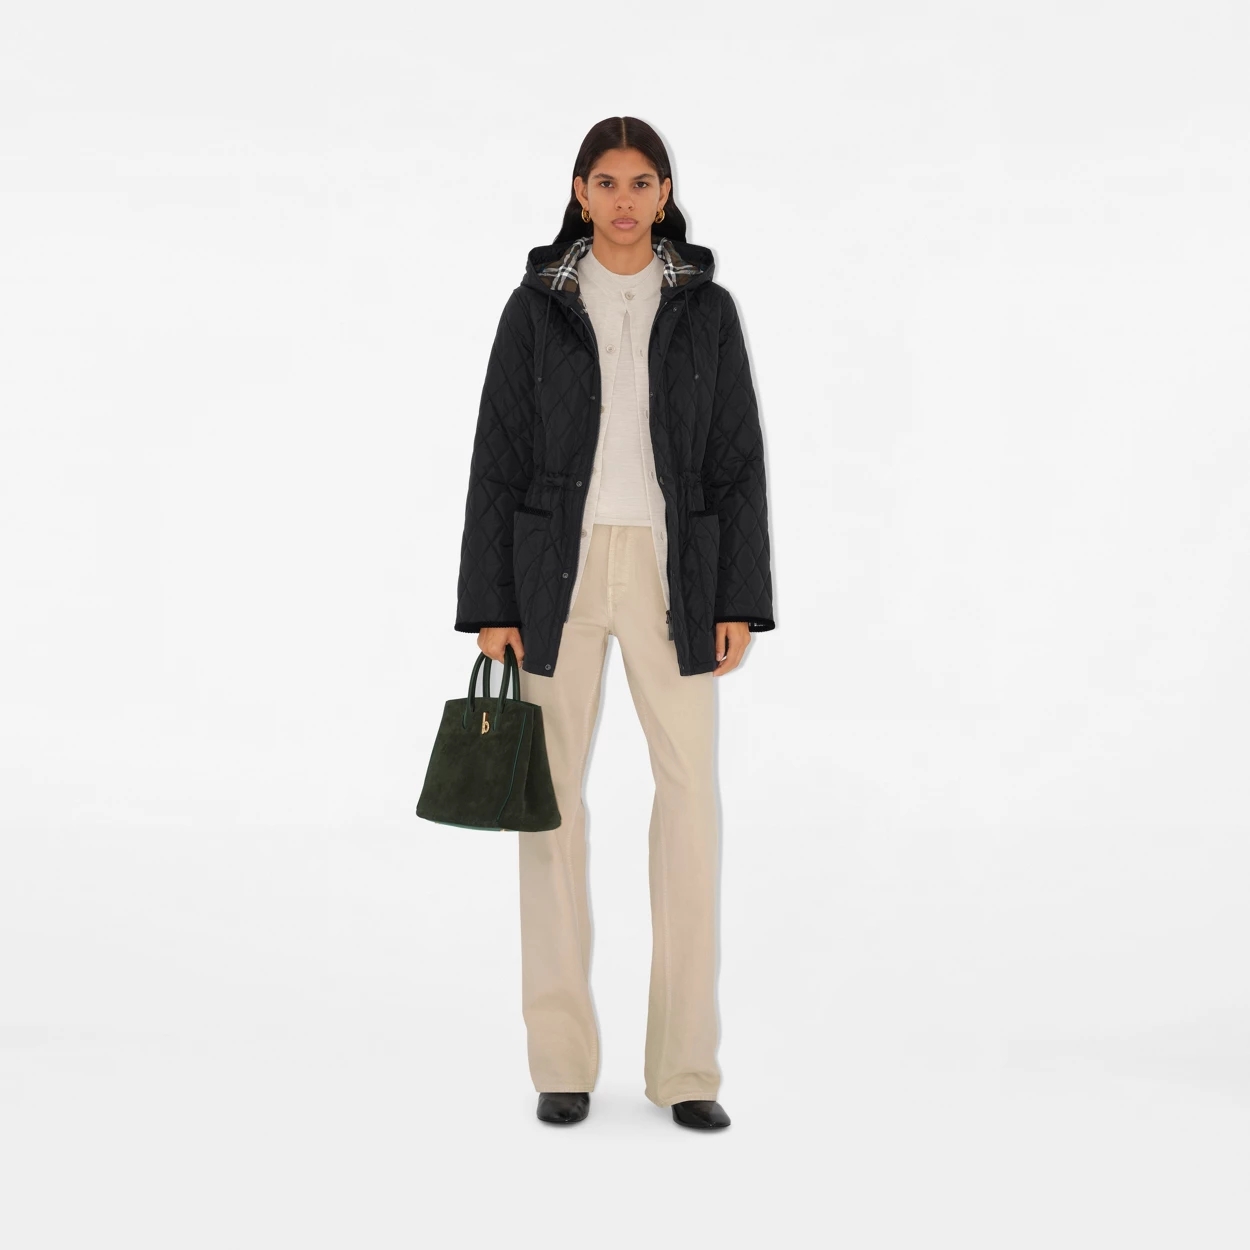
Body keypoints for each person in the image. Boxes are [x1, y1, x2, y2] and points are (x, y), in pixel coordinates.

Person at [453, 116, 775, 1130]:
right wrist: (491, 606)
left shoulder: (706, 307)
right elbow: (496, 455)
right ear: (579, 191)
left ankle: (687, 1068)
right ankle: (561, 1061)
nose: (625, 200)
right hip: (555, 569)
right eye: (607, 181)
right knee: (547, 808)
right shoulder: (535, 306)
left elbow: (737, 457)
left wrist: (738, 597)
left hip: (678, 571)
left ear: (665, 192)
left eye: (642, 182)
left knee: (690, 804)